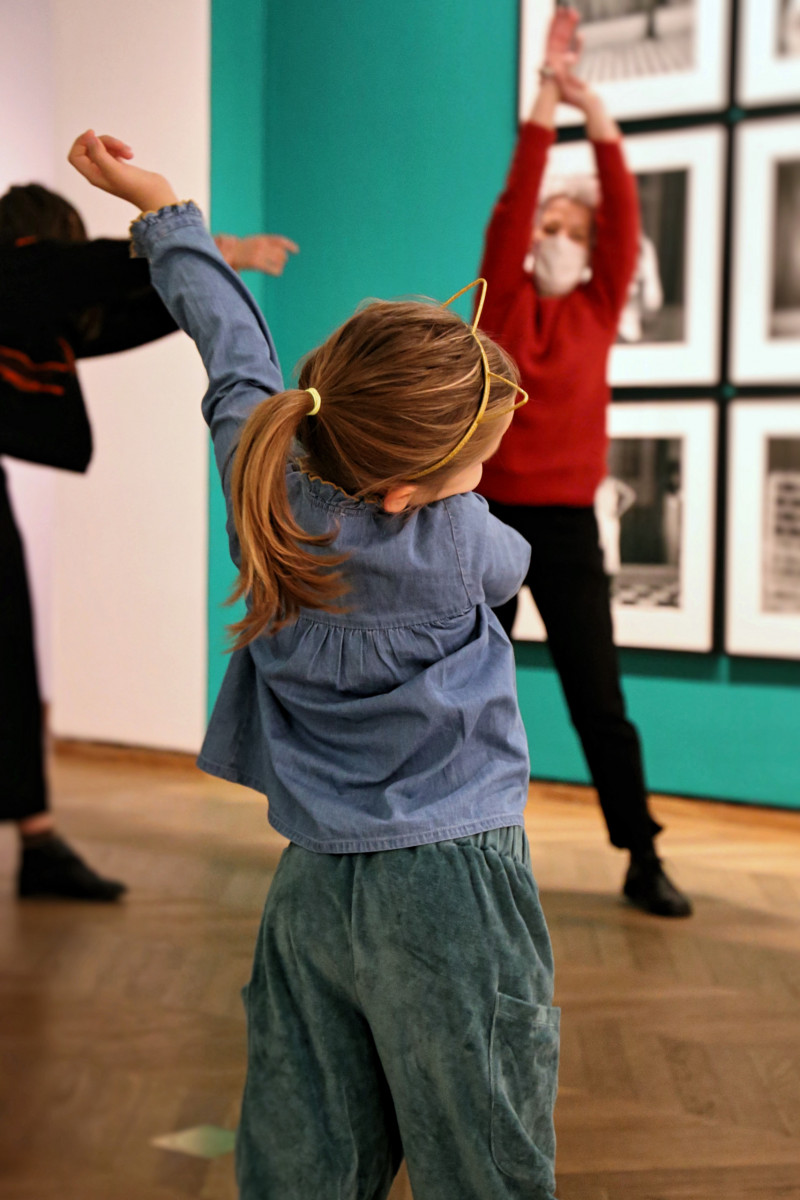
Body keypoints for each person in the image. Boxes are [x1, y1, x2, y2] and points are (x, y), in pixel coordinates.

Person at [69, 128, 561, 1200]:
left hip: (311, 884)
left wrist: (163, 211)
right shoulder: (461, 543)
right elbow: (510, 561)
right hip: (453, 891)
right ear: (405, 490)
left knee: (305, 1155)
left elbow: (229, 348)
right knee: (484, 1145)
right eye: (476, 460)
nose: (484, 474)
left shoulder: (262, 483)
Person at [0, 173, 298, 901]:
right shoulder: (16, 266)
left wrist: (200, 276)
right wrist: (204, 243)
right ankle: (38, 842)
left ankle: (38, 843)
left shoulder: (28, 306)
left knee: (10, 652)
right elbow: (81, 272)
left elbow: (118, 317)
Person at [476, 7, 692, 918]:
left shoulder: (599, 307)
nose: (554, 235)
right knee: (462, 692)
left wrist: (593, 107)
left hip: (564, 528)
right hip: (480, 520)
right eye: (547, 226)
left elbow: (623, 207)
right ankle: (452, 841)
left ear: (596, 248)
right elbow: (514, 198)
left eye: (574, 227)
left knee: (598, 700)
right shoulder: (500, 300)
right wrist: (543, 98)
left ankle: (643, 854)